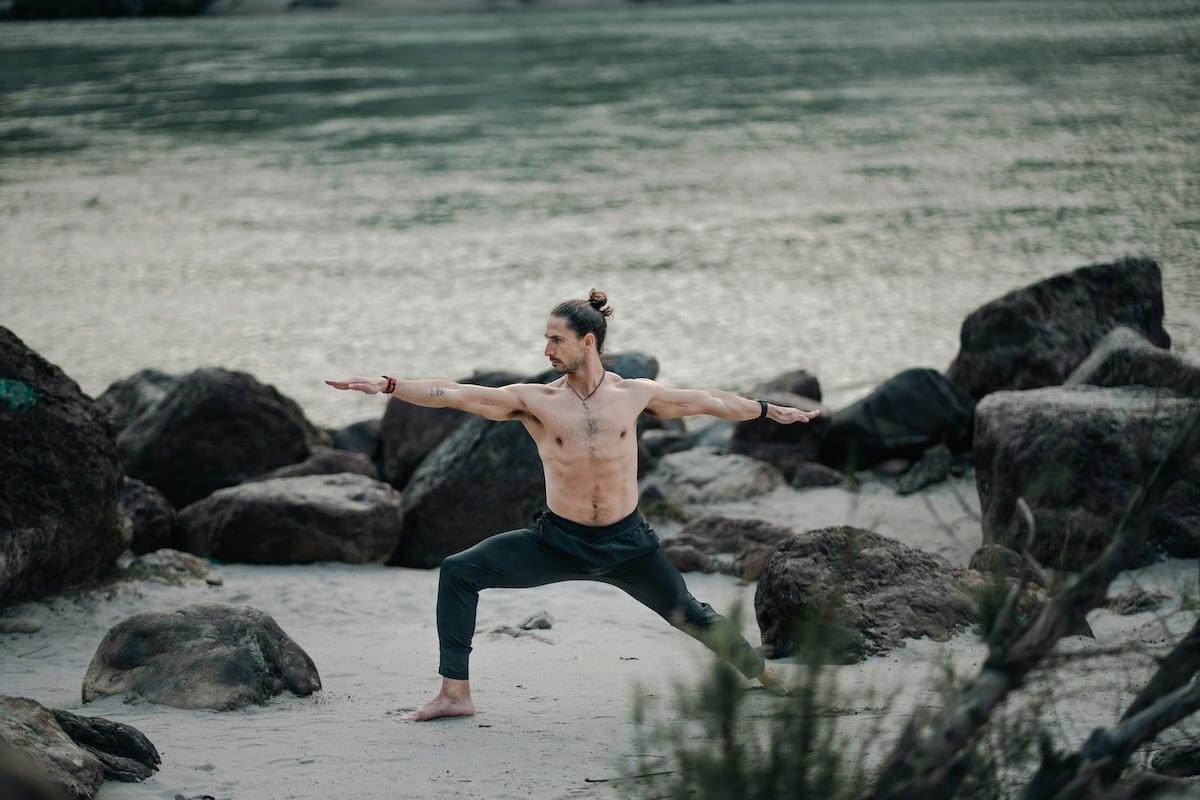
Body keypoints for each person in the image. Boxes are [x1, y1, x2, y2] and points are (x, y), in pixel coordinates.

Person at [326, 289, 820, 721]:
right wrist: (389, 385)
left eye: (555, 339)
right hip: (558, 541)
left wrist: (766, 410)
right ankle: (454, 694)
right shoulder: (536, 400)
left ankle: (760, 673)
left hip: (627, 544)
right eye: (545, 339)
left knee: (690, 613)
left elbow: (709, 401)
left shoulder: (635, 395)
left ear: (588, 342)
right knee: (458, 572)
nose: (546, 350)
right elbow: (456, 394)